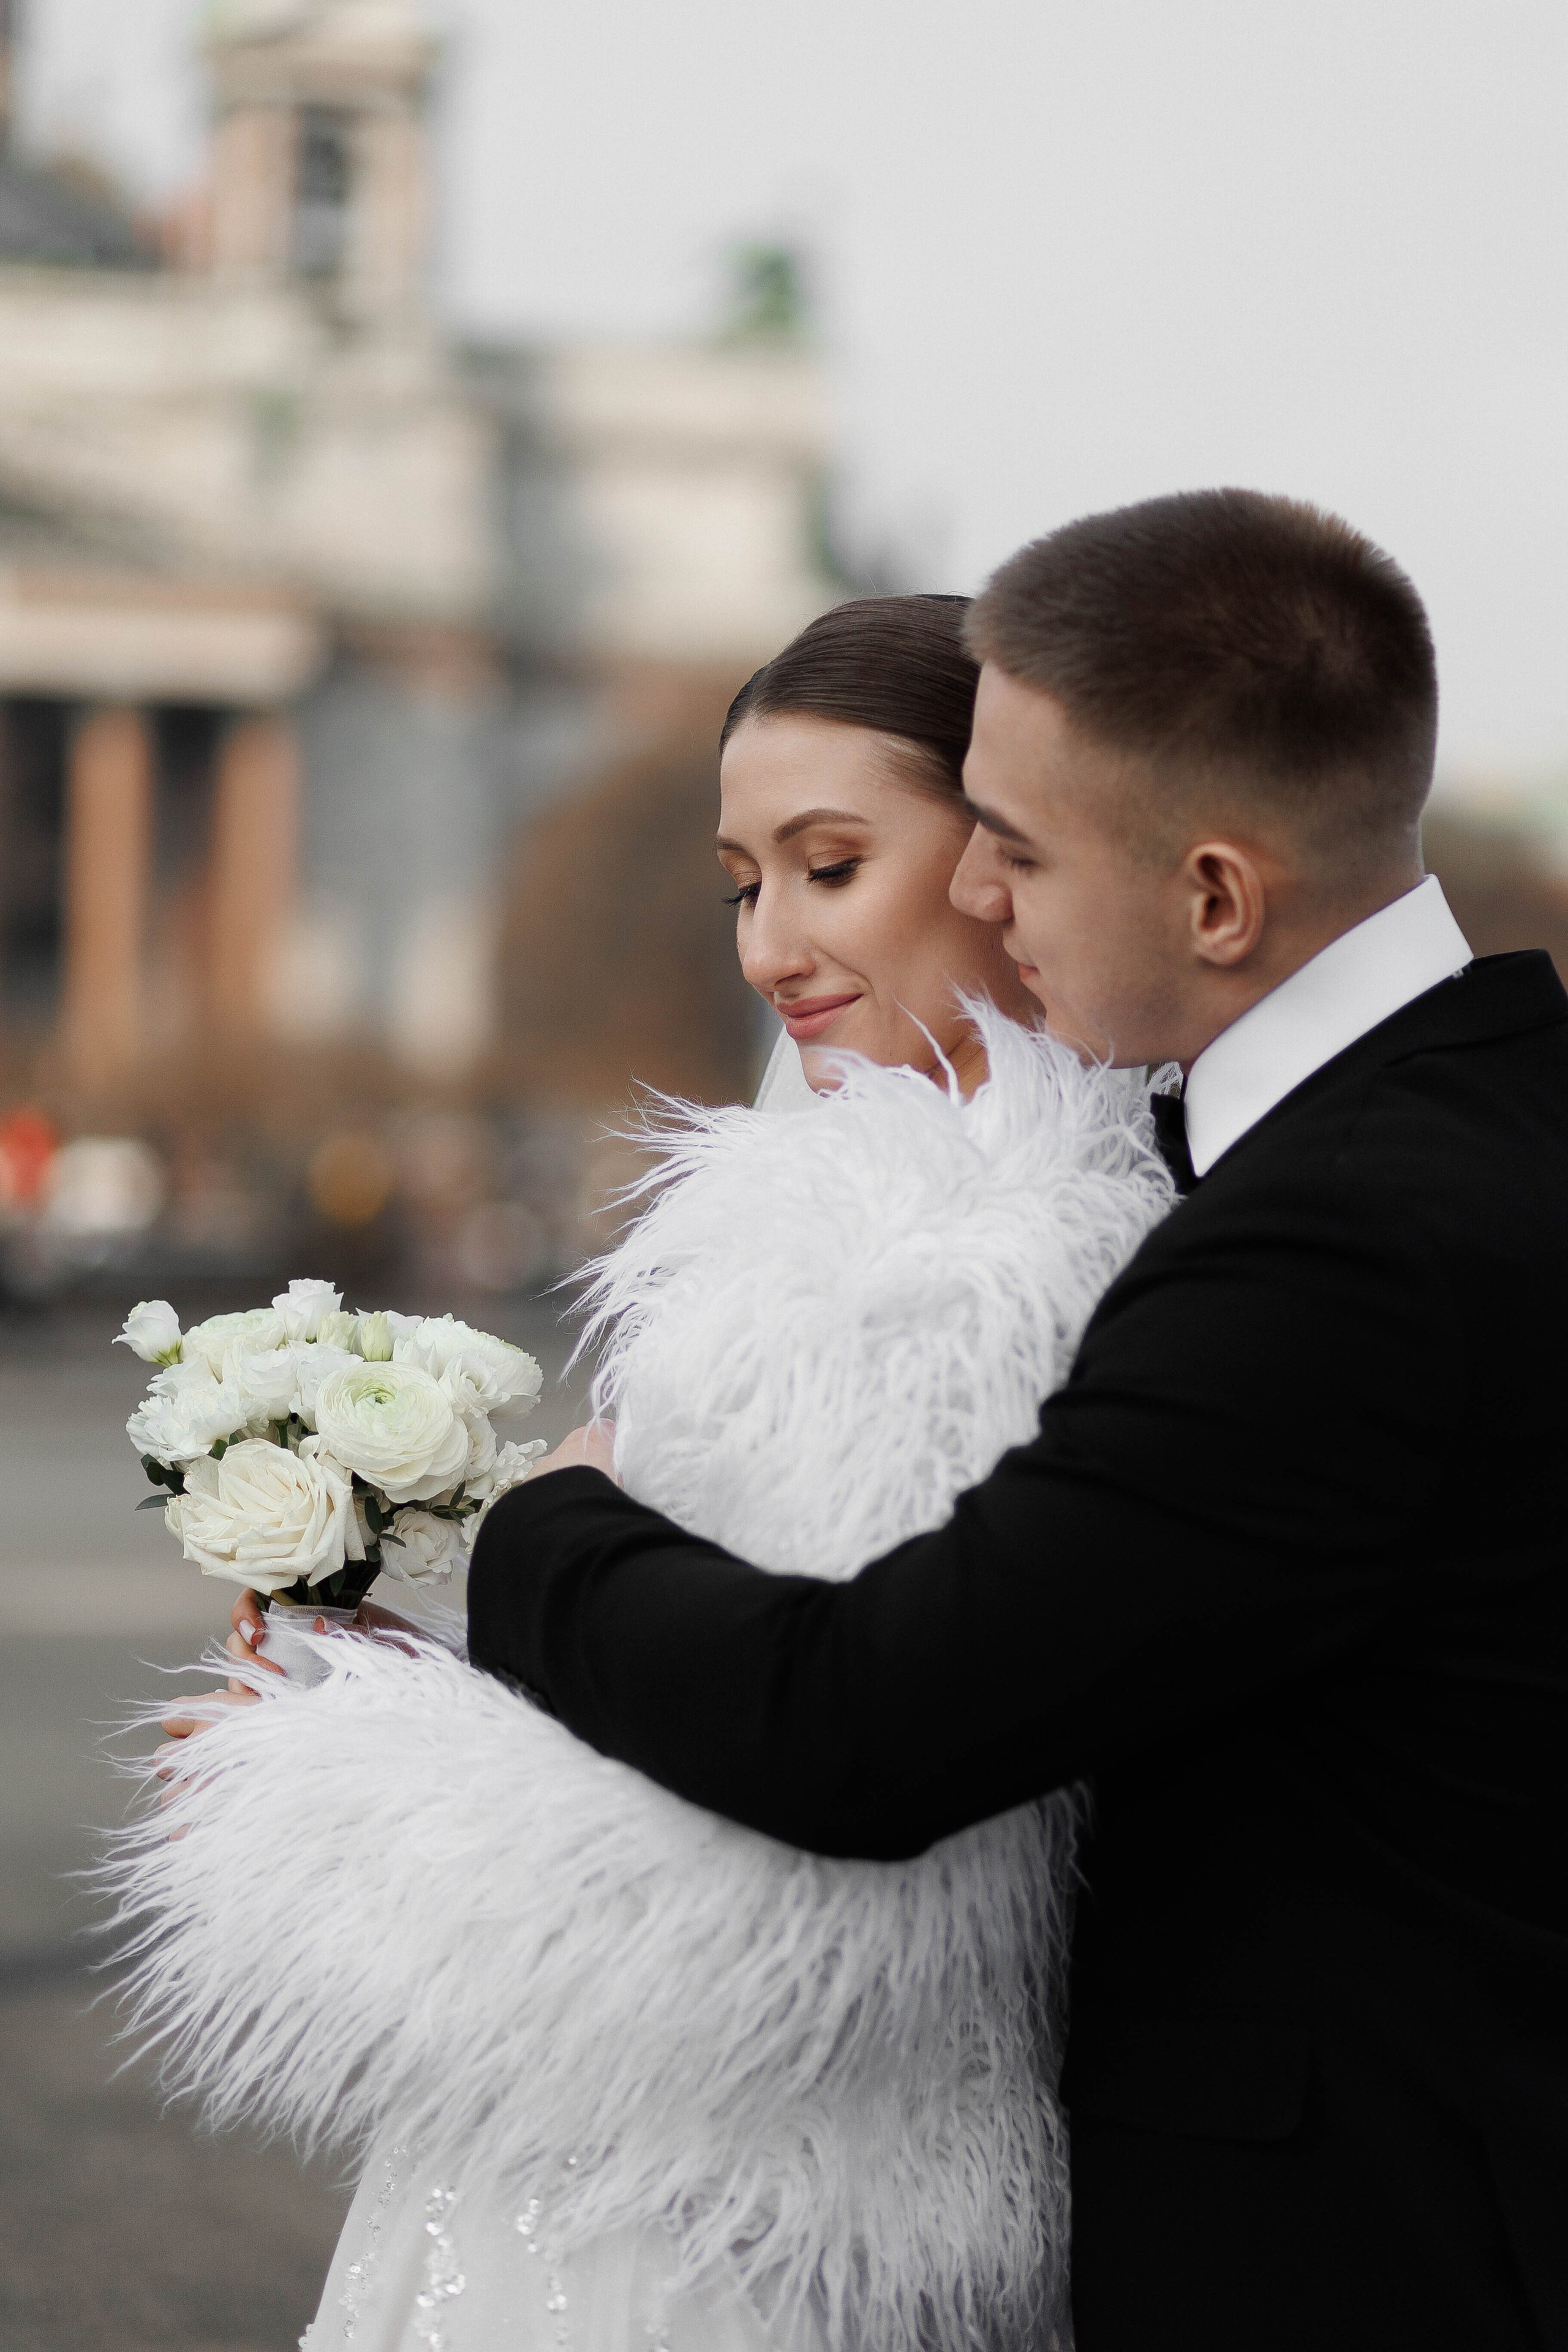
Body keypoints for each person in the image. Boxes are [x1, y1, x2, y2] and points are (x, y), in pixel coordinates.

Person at [466, 491, 1568, 2352]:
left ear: (1215, 894)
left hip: (1372, 2253)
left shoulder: (1330, 1246)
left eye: (1024, 857)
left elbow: (871, 1724)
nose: (979, 897)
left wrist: (520, 1539)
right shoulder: (1486, 1115)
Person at [142, 594, 1170, 2351]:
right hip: (666, 2170)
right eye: (743, 882)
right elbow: (699, 1694)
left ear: (1010, 855)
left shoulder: (951, 1275)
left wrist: (306, 1798)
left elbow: (801, 1876)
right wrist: (425, 1682)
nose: (769, 947)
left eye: (831, 865)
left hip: (726, 2209)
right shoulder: (844, 1232)